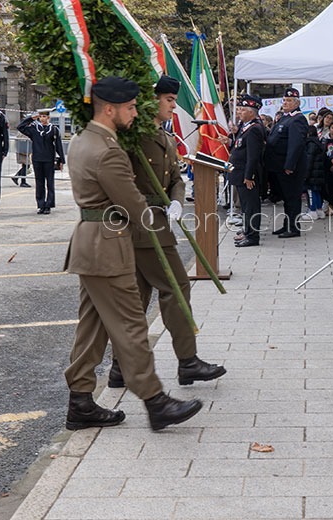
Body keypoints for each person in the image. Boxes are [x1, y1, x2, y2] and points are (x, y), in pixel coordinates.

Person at [64, 75, 202, 432]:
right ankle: (156, 401)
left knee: (93, 326)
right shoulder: (108, 150)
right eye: (128, 107)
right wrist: (161, 225)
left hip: (89, 243)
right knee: (130, 324)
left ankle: (81, 400)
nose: (132, 113)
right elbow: (135, 205)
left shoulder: (82, 140)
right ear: (109, 109)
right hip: (109, 245)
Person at [106, 75, 227, 387]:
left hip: (160, 220)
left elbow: (176, 177)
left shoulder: (165, 136)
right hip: (142, 224)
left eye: (174, 100)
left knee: (137, 299)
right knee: (175, 287)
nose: (174, 106)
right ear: (151, 100)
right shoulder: (135, 133)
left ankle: (120, 368)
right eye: (169, 100)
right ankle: (188, 362)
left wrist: (175, 202)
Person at [264, 87, 308, 237]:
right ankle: (287, 225)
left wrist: (290, 165)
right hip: (278, 166)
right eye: (284, 100)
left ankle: (293, 228)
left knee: (292, 198)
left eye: (289, 100)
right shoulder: (284, 117)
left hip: (290, 168)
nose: (285, 103)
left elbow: (296, 145)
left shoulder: (298, 119)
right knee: (286, 198)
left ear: (296, 103)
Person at [228, 93, 266, 248]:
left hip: (247, 175)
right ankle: (247, 230)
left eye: (242, 109)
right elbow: (240, 146)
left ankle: (252, 236)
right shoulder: (246, 127)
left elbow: (253, 156)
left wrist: (249, 176)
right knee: (245, 206)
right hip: (240, 173)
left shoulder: (255, 128)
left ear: (251, 111)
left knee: (251, 206)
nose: (239, 112)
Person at [17, 108, 65, 214]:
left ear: (48, 118)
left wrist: (61, 160)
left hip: (49, 159)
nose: (42, 119)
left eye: (44, 116)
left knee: (50, 182)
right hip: (37, 158)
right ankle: (41, 204)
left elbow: (58, 146)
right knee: (39, 182)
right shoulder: (34, 129)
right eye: (41, 116)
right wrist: (30, 119)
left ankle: (49, 204)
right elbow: (20, 127)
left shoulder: (53, 129)